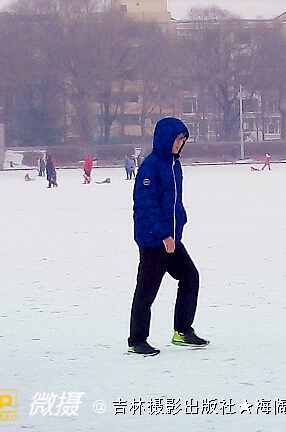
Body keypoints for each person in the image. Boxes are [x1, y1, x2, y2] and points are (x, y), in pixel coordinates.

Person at [128, 117, 209, 356]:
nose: (179, 143)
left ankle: (182, 331)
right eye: (176, 139)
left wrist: (180, 220)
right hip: (154, 241)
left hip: (172, 240)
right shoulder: (150, 166)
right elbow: (145, 206)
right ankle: (137, 340)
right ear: (165, 139)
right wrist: (163, 234)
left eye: (182, 139)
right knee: (146, 291)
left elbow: (173, 202)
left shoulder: (174, 165)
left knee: (190, 277)